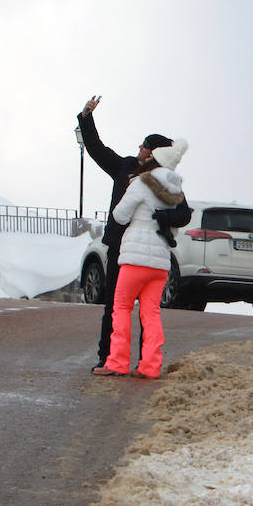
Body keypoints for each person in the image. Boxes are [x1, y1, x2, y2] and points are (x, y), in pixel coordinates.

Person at [77, 96, 192, 369]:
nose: (139, 148)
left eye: (144, 145)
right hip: (120, 247)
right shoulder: (126, 167)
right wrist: (86, 118)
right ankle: (108, 358)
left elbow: (184, 214)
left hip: (145, 247)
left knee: (139, 310)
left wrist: (161, 216)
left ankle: (141, 363)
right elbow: (97, 149)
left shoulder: (165, 180)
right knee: (114, 307)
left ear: (152, 153)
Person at [94, 137, 188, 379]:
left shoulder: (140, 182)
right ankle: (150, 366)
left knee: (121, 308)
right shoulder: (176, 188)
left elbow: (120, 215)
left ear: (153, 159)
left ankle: (117, 362)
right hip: (160, 261)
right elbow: (181, 215)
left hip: (135, 256)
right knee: (151, 313)